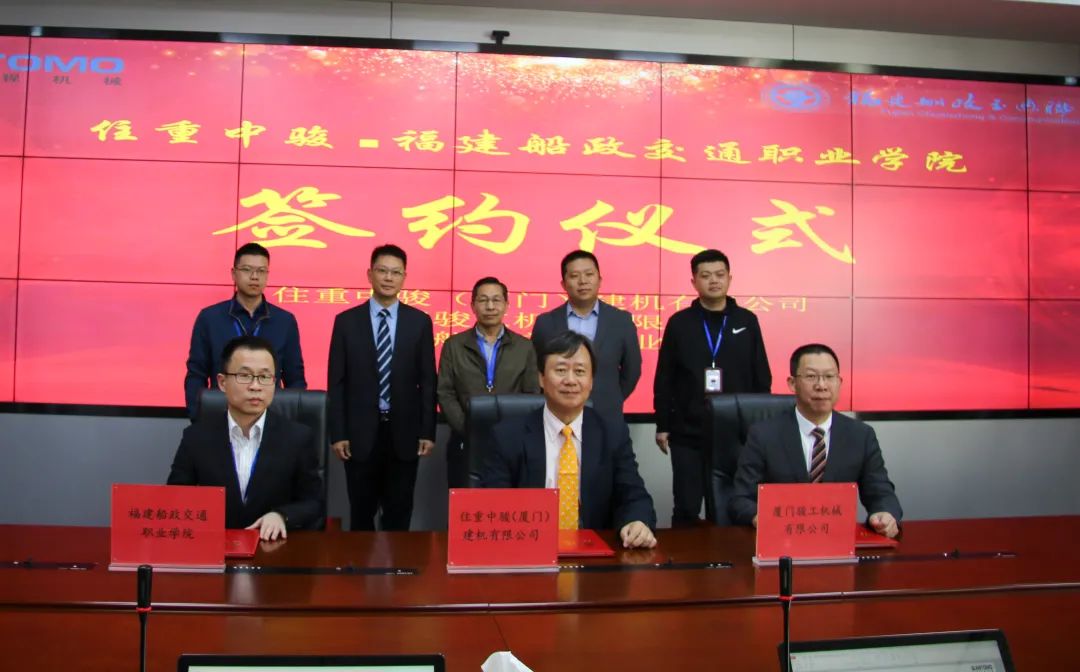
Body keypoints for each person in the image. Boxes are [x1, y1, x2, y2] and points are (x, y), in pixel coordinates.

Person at [481, 330, 657, 549]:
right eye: (561, 370)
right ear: (541, 378)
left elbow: (633, 493)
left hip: (594, 554)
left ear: (591, 381)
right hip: (528, 550)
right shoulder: (508, 435)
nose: (570, 380)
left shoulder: (611, 433)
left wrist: (636, 521)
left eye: (580, 371)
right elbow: (494, 505)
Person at [729, 343, 902, 538]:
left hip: (837, 542)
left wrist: (885, 514)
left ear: (839, 382)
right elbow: (740, 499)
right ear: (792, 383)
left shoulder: (861, 435)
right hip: (782, 540)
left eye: (829, 376)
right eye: (811, 377)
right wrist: (760, 517)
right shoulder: (764, 435)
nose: (822, 386)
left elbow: (881, 492)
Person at [654, 249, 771, 526]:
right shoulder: (679, 323)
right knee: (686, 507)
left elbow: (761, 375)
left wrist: (760, 426)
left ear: (730, 278)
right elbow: (665, 376)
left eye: (720, 275)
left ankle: (731, 556)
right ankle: (686, 555)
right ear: (694, 282)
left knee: (733, 506)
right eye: (705, 276)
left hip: (737, 433)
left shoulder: (746, 321)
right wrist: (663, 424)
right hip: (688, 431)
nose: (714, 281)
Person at [167, 335, 323, 540]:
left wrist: (282, 515)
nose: (255, 386)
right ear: (222, 382)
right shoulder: (196, 438)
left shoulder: (298, 438)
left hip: (274, 546)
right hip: (215, 546)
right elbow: (175, 499)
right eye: (245, 375)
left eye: (265, 377)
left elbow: (314, 503)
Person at [327, 244, 436, 531]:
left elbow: (427, 380)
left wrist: (427, 430)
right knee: (361, 514)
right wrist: (338, 433)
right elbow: (336, 382)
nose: (388, 278)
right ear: (370, 274)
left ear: (404, 278)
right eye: (382, 271)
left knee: (399, 513)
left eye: (395, 272)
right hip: (359, 434)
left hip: (404, 433)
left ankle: (397, 562)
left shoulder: (420, 322)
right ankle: (361, 562)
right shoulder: (346, 322)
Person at [437, 276, 541, 488]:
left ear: (506, 305)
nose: (490, 306)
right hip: (465, 442)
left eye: (496, 300)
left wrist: (513, 431)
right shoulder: (454, 345)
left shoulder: (524, 347)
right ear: (472, 305)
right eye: (483, 300)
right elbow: (445, 393)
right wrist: (468, 428)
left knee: (508, 504)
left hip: (513, 442)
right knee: (465, 503)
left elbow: (532, 394)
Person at [184, 242, 305, 419]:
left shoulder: (284, 321)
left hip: (271, 420)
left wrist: (291, 424)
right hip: (220, 418)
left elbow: (295, 379)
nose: (254, 277)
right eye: (247, 270)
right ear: (234, 273)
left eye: (261, 271)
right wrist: (198, 418)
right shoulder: (210, 318)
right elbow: (196, 374)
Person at [531, 250, 641, 422]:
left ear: (599, 280)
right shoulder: (545, 323)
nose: (583, 281)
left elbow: (632, 369)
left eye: (589, 274)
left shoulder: (621, 321)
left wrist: (612, 398)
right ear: (563, 284)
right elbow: (536, 368)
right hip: (558, 417)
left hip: (606, 416)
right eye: (574, 276)